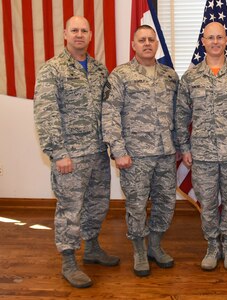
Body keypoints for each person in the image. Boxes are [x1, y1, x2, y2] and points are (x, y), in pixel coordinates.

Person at [33, 16, 119, 289]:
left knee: (97, 204)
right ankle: (69, 260)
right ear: (65, 35)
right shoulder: (52, 69)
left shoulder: (99, 69)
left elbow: (108, 110)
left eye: (84, 30)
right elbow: (46, 114)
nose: (79, 34)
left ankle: (92, 248)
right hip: (70, 154)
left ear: (90, 35)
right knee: (70, 210)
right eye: (75, 30)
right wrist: (58, 153)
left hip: (97, 152)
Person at [176, 22, 227, 272]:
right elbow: (181, 115)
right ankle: (212, 245)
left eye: (219, 37)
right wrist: (185, 148)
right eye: (210, 37)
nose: (214, 42)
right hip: (202, 154)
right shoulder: (190, 77)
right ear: (203, 41)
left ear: (226, 40)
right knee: (208, 202)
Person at [102, 25, 179, 277]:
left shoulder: (169, 76)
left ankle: (155, 246)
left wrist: (178, 145)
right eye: (141, 40)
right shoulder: (120, 75)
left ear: (156, 44)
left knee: (165, 203)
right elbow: (110, 113)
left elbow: (178, 114)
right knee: (136, 205)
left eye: (151, 39)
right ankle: (138, 250)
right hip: (134, 155)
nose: (147, 43)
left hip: (166, 153)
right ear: (134, 45)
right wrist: (118, 150)